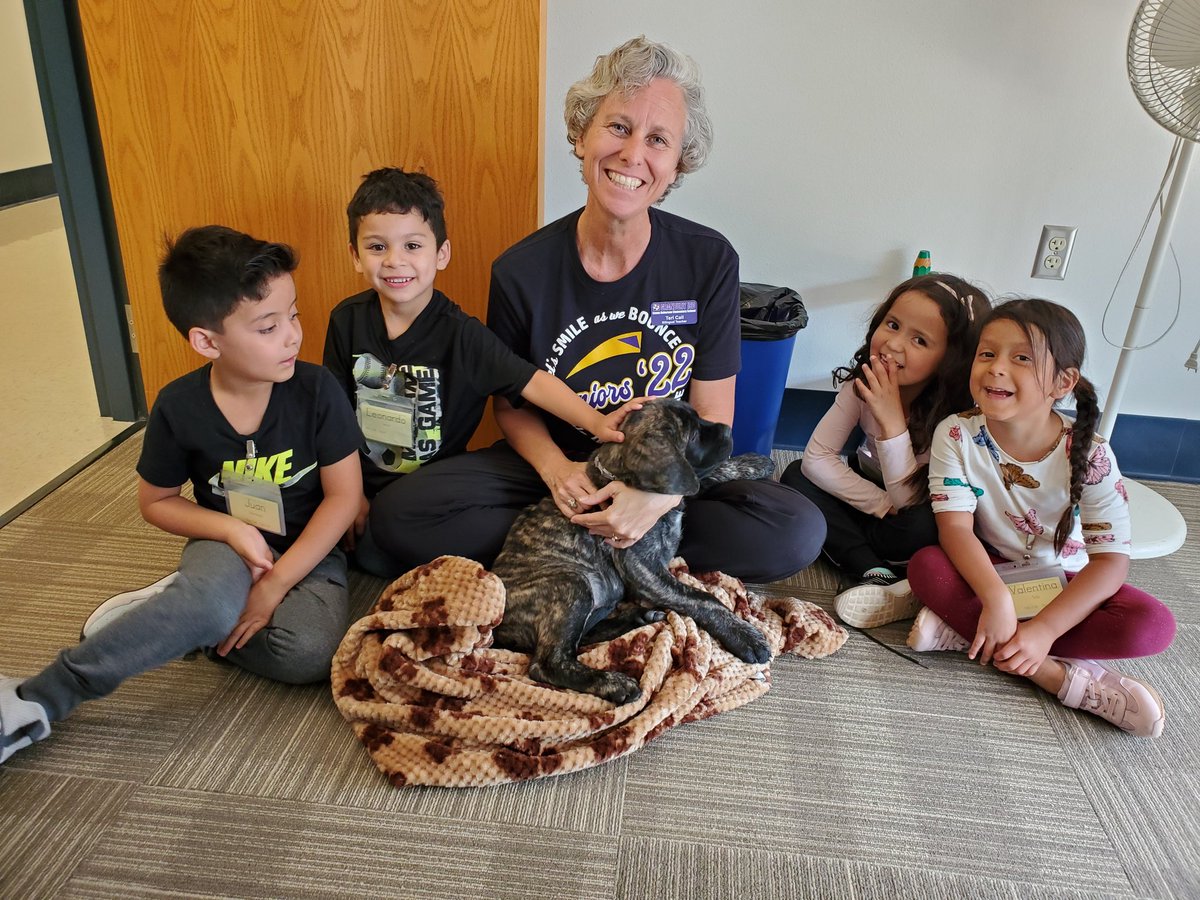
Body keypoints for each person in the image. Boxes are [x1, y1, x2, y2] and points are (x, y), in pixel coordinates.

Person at [365, 36, 826, 582]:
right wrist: (557, 470)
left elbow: (714, 412)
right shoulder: (520, 269)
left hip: (662, 470)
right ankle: (618, 556)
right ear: (582, 136)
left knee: (795, 528)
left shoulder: (709, 259)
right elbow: (513, 404)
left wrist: (655, 497)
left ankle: (594, 550)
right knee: (400, 517)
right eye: (618, 127)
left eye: (658, 139)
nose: (633, 155)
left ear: (677, 164)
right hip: (557, 473)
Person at [0, 225, 363, 764]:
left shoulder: (316, 389)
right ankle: (38, 699)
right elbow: (157, 501)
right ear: (206, 341)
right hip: (226, 549)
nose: (292, 335)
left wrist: (277, 584)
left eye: (293, 315)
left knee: (306, 653)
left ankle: (181, 616)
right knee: (215, 604)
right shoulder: (179, 406)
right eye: (268, 326)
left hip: (311, 551)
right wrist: (233, 530)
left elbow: (344, 499)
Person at [323, 168, 638, 578]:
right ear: (355, 255)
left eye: (412, 245)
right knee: (371, 557)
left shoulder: (462, 334)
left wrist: (596, 422)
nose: (394, 261)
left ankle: (562, 535)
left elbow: (532, 381)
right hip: (364, 486)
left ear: (441, 254)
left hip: (436, 491)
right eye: (377, 246)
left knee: (392, 537)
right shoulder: (347, 321)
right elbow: (332, 419)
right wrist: (349, 496)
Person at [904, 298, 1176, 738]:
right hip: (996, 573)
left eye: (1022, 359)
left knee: (1153, 625)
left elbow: (1110, 564)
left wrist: (1046, 630)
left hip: (1064, 585)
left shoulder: (1091, 455)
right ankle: (1047, 669)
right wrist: (996, 600)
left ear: (1063, 382)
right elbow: (955, 528)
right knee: (926, 566)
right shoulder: (956, 433)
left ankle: (985, 641)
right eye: (987, 354)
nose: (996, 368)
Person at [780, 274, 990, 628]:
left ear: (950, 359)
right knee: (795, 473)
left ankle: (865, 559)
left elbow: (910, 501)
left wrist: (893, 424)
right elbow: (818, 458)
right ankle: (872, 569)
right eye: (892, 324)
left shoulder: (952, 420)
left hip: (914, 507)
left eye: (919, 340)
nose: (893, 344)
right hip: (878, 499)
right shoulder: (862, 382)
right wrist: (878, 503)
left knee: (922, 527)